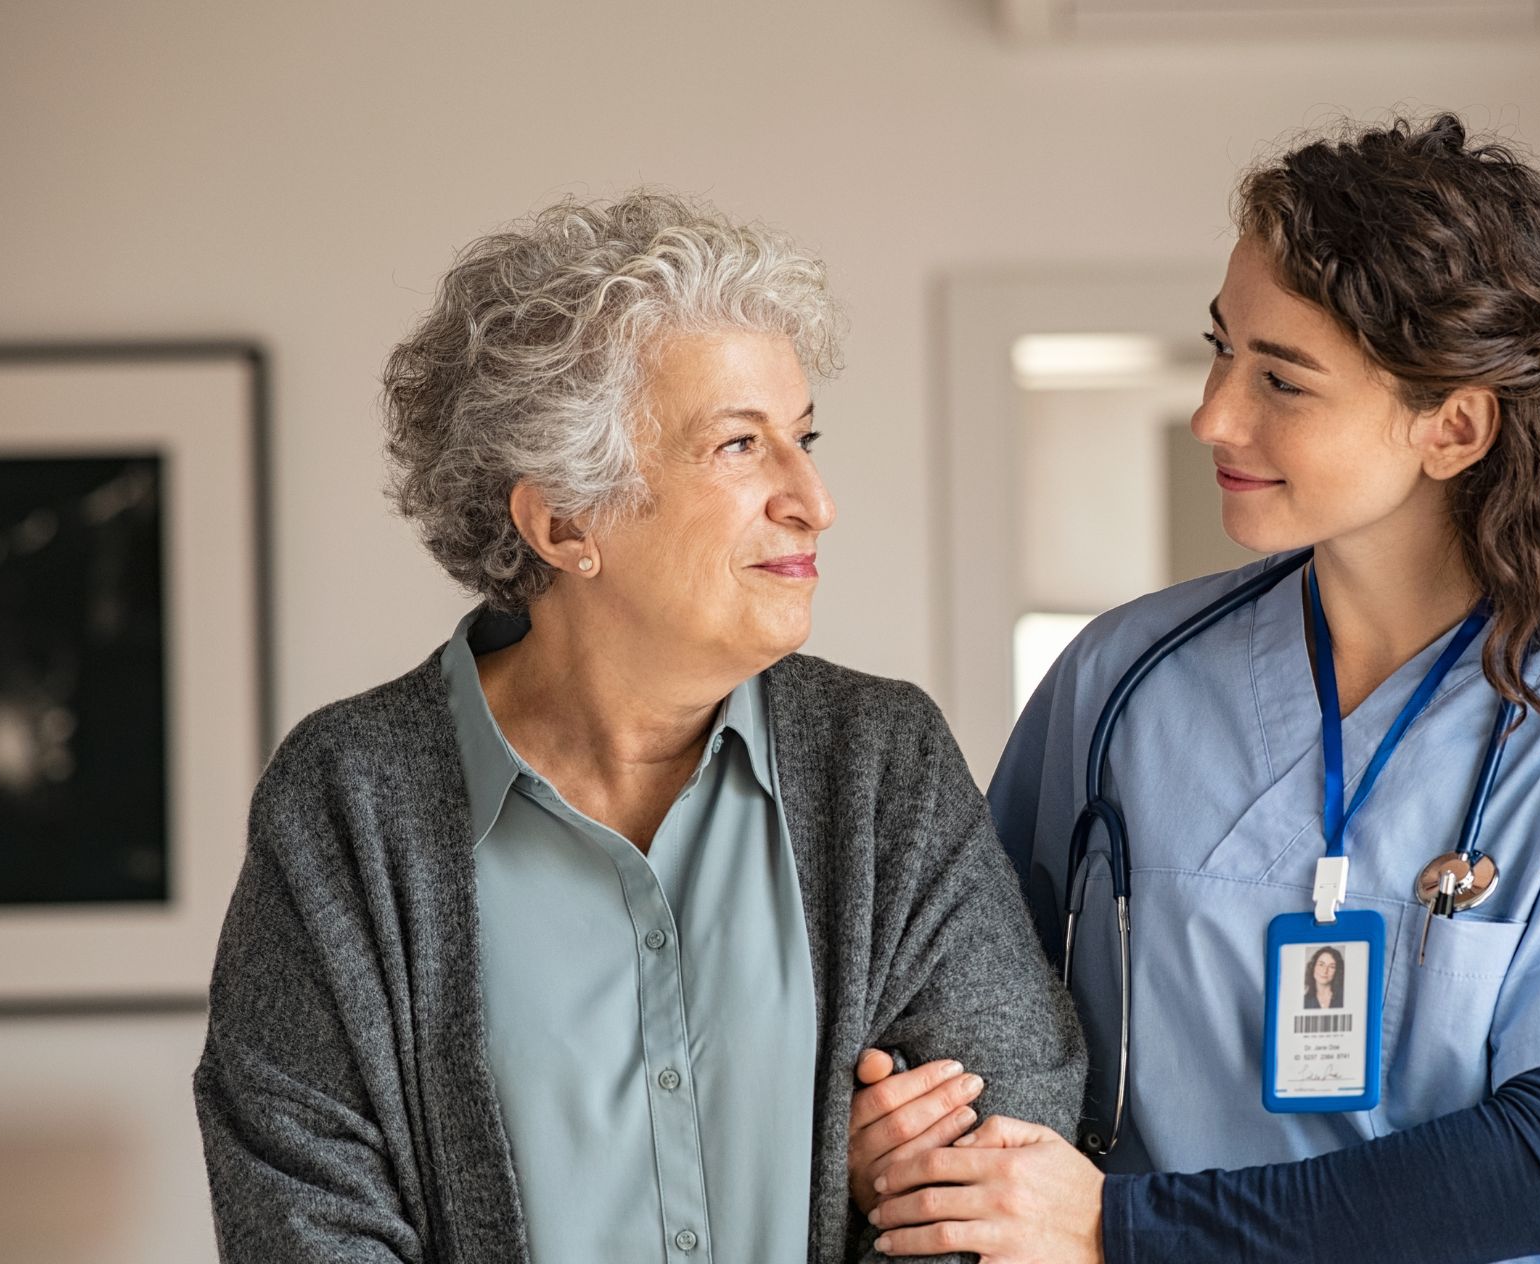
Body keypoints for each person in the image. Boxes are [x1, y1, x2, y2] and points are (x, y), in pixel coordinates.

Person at [852, 114, 1540, 1264]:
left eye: (1281, 379)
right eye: (1220, 349)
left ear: (1452, 425)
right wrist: (908, 1128)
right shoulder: (1120, 680)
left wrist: (1120, 1226)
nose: (1212, 414)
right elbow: (968, 1017)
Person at [191, 191, 1083, 1263]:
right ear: (565, 520)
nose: (811, 498)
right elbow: (304, 1223)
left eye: (801, 436)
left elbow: (1003, 1171)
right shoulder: (344, 801)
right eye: (739, 445)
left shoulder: (883, 762)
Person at [1304, 946, 1344, 1011]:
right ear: (1313, 966)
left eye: (1332, 967)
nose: (1325, 971)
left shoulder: (1344, 997)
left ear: (1337, 971)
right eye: (1321, 964)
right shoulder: (1304, 1001)